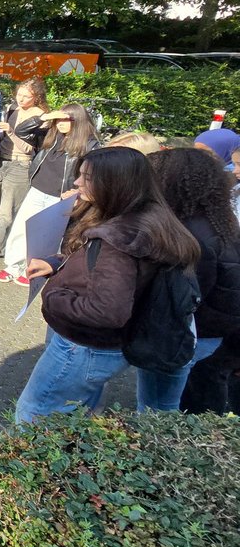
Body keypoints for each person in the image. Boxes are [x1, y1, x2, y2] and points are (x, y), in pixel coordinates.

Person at [14, 147, 200, 423]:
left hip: (84, 347)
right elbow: (107, 271)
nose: (77, 183)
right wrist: (58, 265)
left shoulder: (116, 240)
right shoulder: (150, 221)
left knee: (35, 413)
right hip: (111, 346)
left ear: (115, 184)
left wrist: (54, 296)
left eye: (86, 177)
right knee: (76, 416)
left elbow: (108, 311)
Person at [146, 148, 240, 413]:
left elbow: (183, 297)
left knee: (158, 406)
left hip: (189, 334)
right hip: (208, 332)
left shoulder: (192, 237)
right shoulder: (216, 223)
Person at [0, 103, 100, 286]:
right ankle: (13, 266)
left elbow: (96, 173)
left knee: (48, 235)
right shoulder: (52, 136)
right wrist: (45, 117)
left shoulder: (90, 144)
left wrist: (78, 191)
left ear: (78, 121)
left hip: (60, 197)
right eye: (58, 119)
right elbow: (21, 131)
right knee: (22, 229)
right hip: (37, 190)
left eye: (65, 119)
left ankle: (35, 269)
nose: (60, 123)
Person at [0, 78, 49, 261]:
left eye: (26, 96)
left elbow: (32, 149)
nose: (20, 99)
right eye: (19, 94)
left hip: (20, 164)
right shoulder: (11, 109)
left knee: (7, 211)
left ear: (36, 97)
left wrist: (11, 132)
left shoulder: (42, 118)